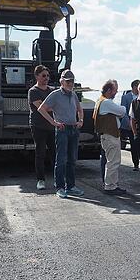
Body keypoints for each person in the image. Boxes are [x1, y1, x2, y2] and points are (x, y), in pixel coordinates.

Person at [38, 69, 85, 199]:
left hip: (73, 129)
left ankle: (70, 186)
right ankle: (59, 187)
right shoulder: (55, 94)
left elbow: (80, 110)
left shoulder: (73, 95)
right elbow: (41, 109)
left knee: (72, 159)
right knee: (61, 160)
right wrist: (54, 122)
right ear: (62, 81)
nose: (70, 83)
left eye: (72, 81)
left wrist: (80, 121)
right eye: (68, 81)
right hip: (62, 130)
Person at [94, 80, 128, 195]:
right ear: (109, 91)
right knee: (113, 162)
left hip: (107, 136)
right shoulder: (107, 102)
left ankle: (112, 185)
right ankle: (110, 186)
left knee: (111, 161)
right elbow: (122, 111)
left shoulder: (100, 101)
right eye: (115, 90)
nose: (116, 93)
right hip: (110, 136)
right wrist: (118, 111)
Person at [27, 65, 55, 190]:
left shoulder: (51, 91)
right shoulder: (33, 91)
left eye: (48, 76)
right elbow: (41, 108)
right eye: (43, 75)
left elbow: (55, 105)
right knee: (40, 153)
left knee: (55, 153)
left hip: (52, 126)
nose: (46, 78)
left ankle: (57, 179)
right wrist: (51, 107)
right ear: (37, 76)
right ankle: (41, 180)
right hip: (38, 126)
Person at [120, 80, 140, 171]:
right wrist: (129, 122)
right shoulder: (126, 97)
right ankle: (136, 163)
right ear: (133, 87)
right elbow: (124, 111)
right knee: (134, 144)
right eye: (137, 87)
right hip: (130, 125)